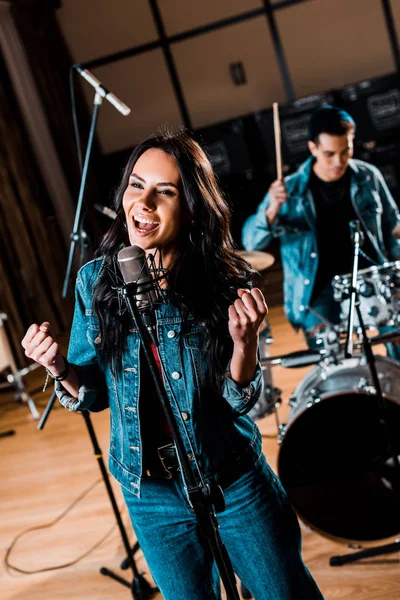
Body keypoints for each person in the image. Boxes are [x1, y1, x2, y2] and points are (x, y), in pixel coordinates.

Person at [21, 131, 323, 600]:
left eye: (165, 191)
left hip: (231, 478)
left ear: (192, 205)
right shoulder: (94, 282)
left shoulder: (226, 279)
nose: (143, 203)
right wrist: (59, 366)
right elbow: (94, 394)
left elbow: (239, 400)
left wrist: (244, 344)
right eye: (136, 185)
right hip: (150, 494)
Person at [242, 105, 400, 350]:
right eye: (329, 154)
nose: (339, 161)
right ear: (312, 148)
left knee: (397, 336)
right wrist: (271, 209)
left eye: (345, 151)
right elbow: (251, 242)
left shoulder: (368, 177)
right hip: (318, 292)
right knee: (331, 357)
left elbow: (393, 227)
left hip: (370, 279)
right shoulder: (290, 189)